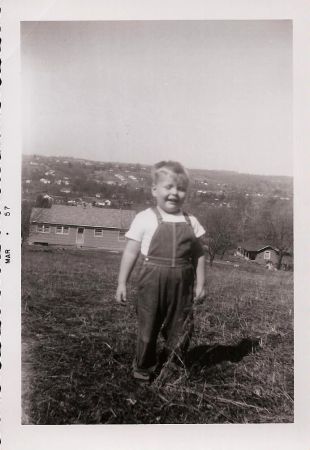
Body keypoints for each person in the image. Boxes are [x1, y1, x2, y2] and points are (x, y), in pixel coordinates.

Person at [115, 160, 206, 381]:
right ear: (155, 190)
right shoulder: (144, 218)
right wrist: (121, 283)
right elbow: (130, 252)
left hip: (182, 284)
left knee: (181, 326)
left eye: (181, 189)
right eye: (169, 187)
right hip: (152, 281)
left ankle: (173, 366)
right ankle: (143, 368)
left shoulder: (191, 221)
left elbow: (199, 255)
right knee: (148, 328)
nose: (175, 193)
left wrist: (201, 284)